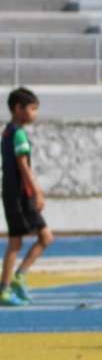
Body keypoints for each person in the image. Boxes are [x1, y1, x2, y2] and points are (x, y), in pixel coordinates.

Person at [2, 88, 53, 307]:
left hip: (13, 193)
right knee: (21, 241)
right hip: (20, 196)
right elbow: (23, 167)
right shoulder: (18, 134)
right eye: (32, 109)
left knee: (38, 238)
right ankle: (7, 287)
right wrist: (37, 193)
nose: (35, 114)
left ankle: (17, 278)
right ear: (18, 109)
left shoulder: (7, 132)